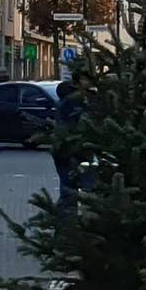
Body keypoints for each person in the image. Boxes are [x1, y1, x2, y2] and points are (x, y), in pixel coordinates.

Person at [46, 73, 91, 213]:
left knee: (67, 186)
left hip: (65, 150)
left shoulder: (65, 103)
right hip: (68, 150)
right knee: (69, 188)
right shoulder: (71, 103)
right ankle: (66, 220)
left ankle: (66, 218)